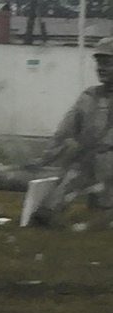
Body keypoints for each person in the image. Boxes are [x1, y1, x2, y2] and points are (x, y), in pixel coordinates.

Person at [29, 36, 113, 224]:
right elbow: (63, 132)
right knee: (46, 213)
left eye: (108, 63)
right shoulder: (88, 97)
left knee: (106, 218)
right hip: (85, 162)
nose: (102, 68)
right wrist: (44, 159)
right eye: (99, 63)